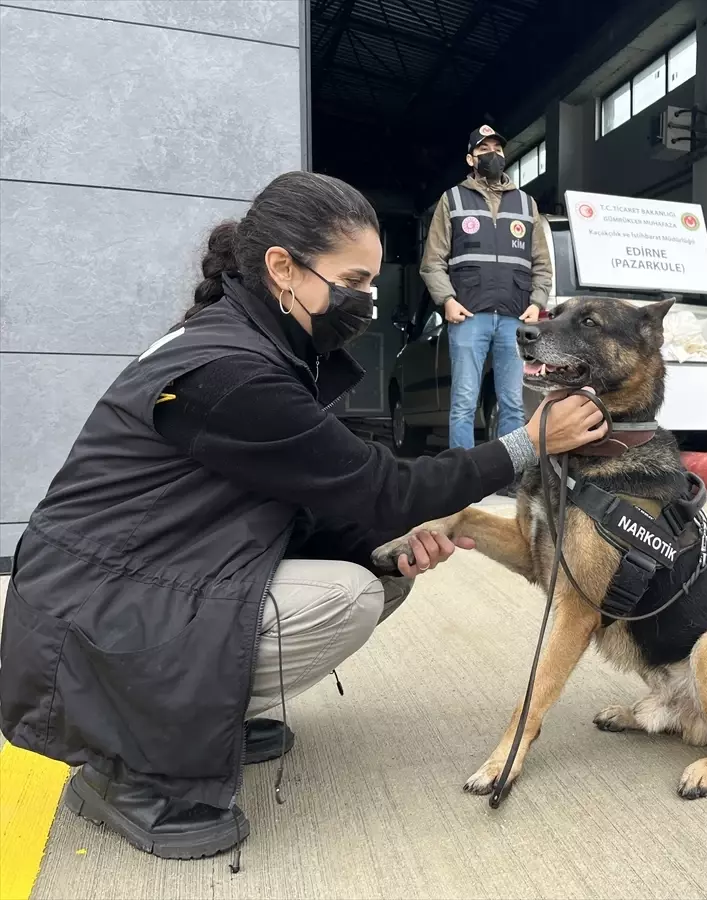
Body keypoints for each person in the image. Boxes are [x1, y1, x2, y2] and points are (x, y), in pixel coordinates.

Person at [0, 171, 606, 861]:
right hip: (89, 614)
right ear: (282, 268)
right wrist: (528, 444)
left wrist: (376, 543)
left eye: (370, 283)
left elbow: (293, 499)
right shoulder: (231, 372)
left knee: (380, 567)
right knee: (345, 596)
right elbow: (382, 487)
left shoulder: (255, 343)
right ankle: (130, 773)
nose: (366, 301)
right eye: (352, 281)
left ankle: (199, 718)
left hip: (132, 579)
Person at [419, 125, 552, 493]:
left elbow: (542, 263)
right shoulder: (453, 200)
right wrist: (447, 300)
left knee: (512, 403)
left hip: (514, 317)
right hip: (469, 316)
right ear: (470, 158)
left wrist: (537, 302)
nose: (493, 154)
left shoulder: (526, 204)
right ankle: (463, 480)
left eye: (497, 148)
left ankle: (508, 478)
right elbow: (432, 262)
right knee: (464, 401)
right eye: (484, 149)